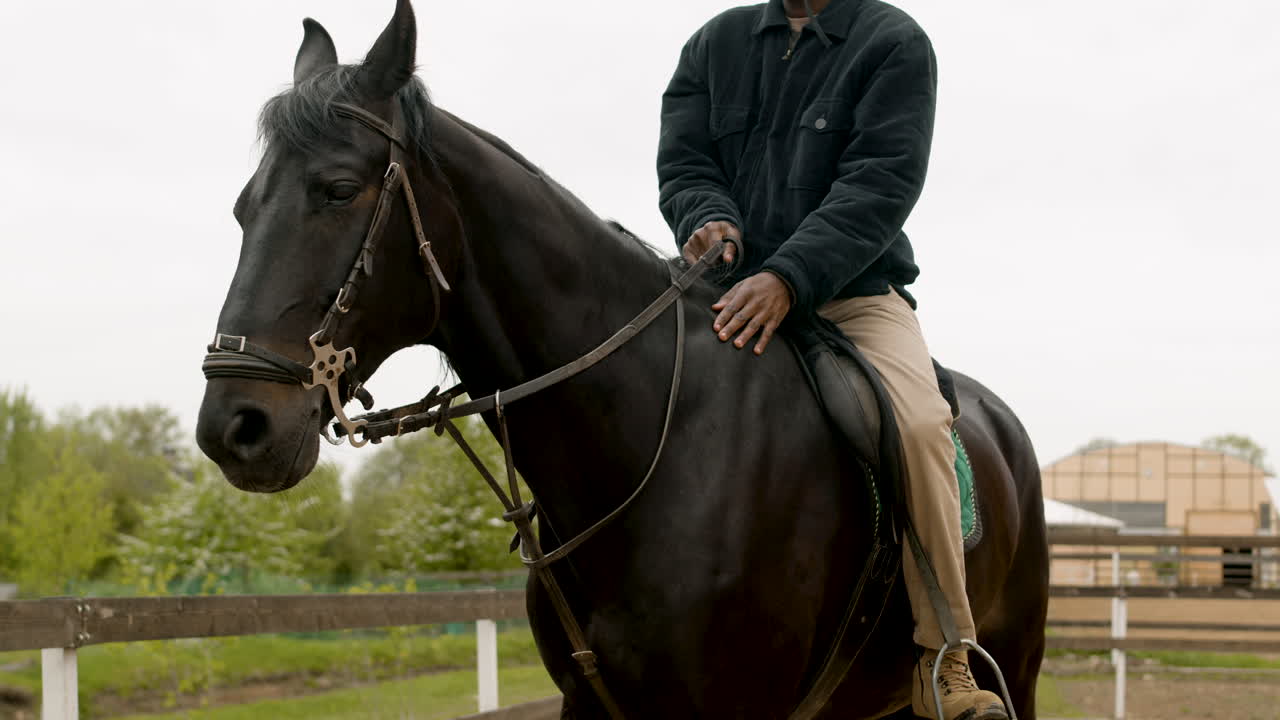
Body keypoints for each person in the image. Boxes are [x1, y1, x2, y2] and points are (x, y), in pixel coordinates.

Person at [657, 1, 1007, 719]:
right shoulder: (712, 46)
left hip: (852, 295)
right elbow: (686, 162)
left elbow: (880, 184)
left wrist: (789, 276)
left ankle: (947, 660)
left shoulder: (893, 43)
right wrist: (705, 218)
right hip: (726, 294)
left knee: (913, 426)